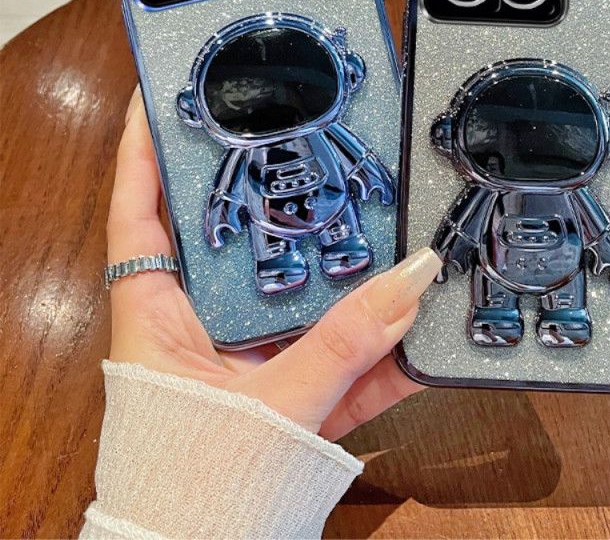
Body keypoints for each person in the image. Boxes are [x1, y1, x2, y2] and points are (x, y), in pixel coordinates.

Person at [81, 90, 440, 540]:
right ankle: (281, 259)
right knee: (275, 239)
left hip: (327, 203)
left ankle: (329, 248)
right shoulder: (253, 146)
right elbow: (229, 185)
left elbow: (358, 156)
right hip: (273, 218)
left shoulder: (319, 130)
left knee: (336, 229)